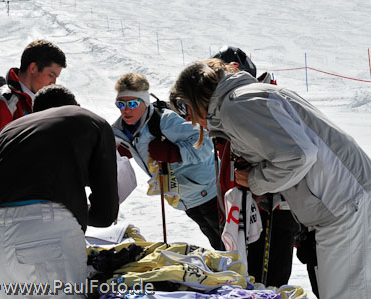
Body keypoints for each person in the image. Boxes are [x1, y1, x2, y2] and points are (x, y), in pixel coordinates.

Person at [169, 58, 371, 299]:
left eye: (184, 108)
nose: (188, 120)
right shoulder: (247, 96)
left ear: (196, 95)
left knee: (343, 293)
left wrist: (255, 180)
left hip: (341, 204)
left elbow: (299, 156)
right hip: (343, 198)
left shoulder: (237, 105)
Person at [0, 85, 119, 298]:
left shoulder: (10, 130)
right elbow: (105, 214)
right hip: (45, 231)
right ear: (76, 106)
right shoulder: (89, 119)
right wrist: (78, 207)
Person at [210, 46, 300, 288]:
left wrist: (259, 182)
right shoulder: (225, 108)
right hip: (242, 203)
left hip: (272, 205)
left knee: (269, 280)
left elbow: (289, 155)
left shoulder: (254, 102)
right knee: (244, 275)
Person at [112, 72, 223, 250]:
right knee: (217, 242)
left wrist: (175, 153)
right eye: (121, 104)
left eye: (132, 103)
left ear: (145, 102)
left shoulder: (165, 121)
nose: (126, 109)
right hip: (185, 198)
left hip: (209, 191)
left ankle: (248, 275)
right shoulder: (120, 132)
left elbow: (205, 143)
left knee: (230, 244)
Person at [0, 39, 66, 168]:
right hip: (11, 186)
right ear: (33, 68)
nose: (54, 82)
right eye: (51, 75)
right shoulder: (3, 103)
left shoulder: (48, 101)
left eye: (56, 77)